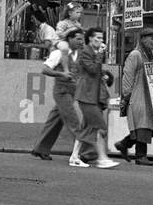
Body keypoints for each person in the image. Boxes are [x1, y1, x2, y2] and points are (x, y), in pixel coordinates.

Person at [28, 28, 104, 167]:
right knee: (73, 120)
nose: (81, 42)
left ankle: (40, 148)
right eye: (78, 39)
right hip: (62, 91)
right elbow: (45, 69)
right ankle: (88, 152)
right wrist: (61, 74)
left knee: (55, 120)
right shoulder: (59, 53)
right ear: (70, 39)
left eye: (82, 39)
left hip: (75, 91)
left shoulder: (81, 54)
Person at [113, 29, 153, 166]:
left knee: (145, 124)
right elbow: (127, 76)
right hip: (136, 95)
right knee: (142, 124)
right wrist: (127, 96)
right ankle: (140, 155)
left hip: (146, 95)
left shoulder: (148, 56)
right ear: (143, 39)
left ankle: (124, 144)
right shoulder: (135, 55)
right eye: (152, 38)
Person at [74, 29, 119, 167]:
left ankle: (75, 156)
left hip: (92, 96)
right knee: (100, 127)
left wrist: (105, 75)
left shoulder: (92, 52)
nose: (100, 40)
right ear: (90, 39)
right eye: (98, 38)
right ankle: (101, 158)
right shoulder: (85, 52)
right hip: (87, 95)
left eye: (102, 38)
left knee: (88, 128)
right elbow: (92, 69)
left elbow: (96, 70)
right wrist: (100, 54)